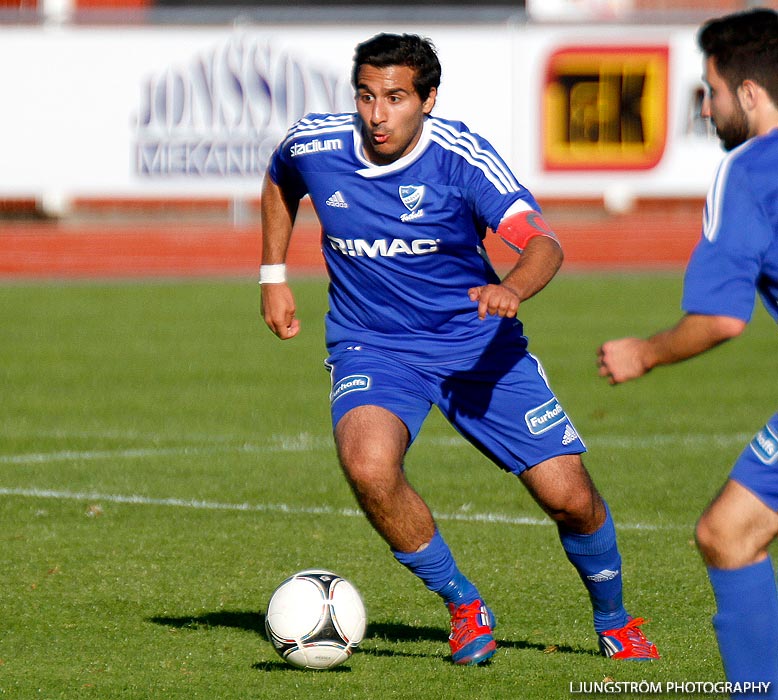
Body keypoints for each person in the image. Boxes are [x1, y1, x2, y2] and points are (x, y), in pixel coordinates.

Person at [260, 32, 658, 665]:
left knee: (569, 498)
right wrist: (273, 276)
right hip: (374, 344)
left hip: (476, 346)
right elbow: (281, 178)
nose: (376, 113)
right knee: (368, 466)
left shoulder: (460, 157)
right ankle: (464, 606)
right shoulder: (316, 143)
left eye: (394, 97)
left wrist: (512, 289)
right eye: (366, 96)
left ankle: (614, 619)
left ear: (428, 100)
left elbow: (543, 242)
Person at [597, 8, 778, 695]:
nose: (707, 107)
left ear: (752, 94)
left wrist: (643, 353)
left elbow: (721, 319)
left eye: (713, 89)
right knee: (730, 531)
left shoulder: (750, 171)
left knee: (728, 535)